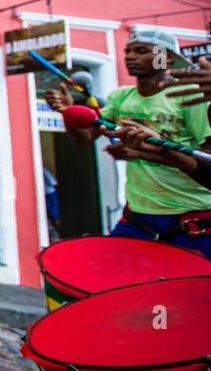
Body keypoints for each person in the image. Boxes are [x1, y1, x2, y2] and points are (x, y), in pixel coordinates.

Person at [46, 27, 211, 256]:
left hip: (193, 216)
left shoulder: (192, 95)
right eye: (127, 51)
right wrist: (68, 113)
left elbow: (206, 161)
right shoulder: (121, 97)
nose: (130, 57)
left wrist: (151, 150)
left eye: (141, 51)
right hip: (139, 214)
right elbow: (84, 139)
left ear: (167, 57)